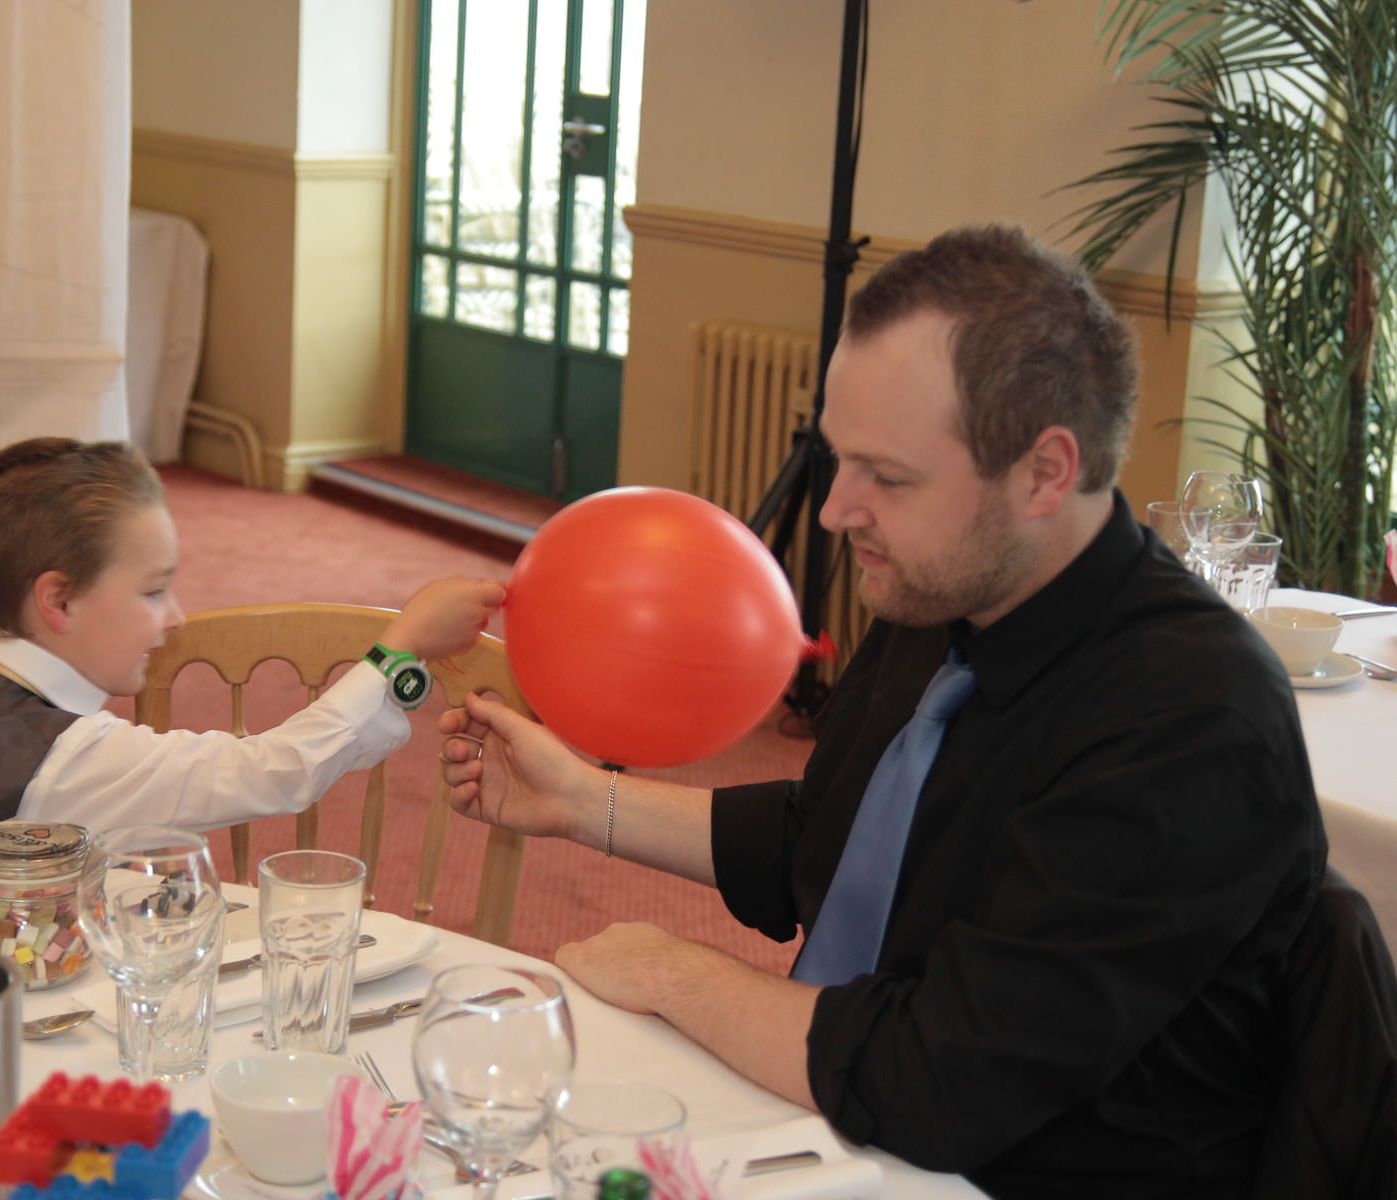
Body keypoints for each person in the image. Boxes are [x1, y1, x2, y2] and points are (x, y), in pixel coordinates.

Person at [440, 225, 1324, 1197]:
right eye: (839, 458)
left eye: (888, 477)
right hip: (854, 1138)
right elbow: (841, 840)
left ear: (1044, 472)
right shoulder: (945, 590)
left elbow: (946, 1077)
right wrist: (583, 801)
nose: (834, 510)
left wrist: (675, 974)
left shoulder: (1192, 717)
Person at [0, 437, 505, 831]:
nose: (175, 616)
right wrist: (400, 649)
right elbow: (275, 769)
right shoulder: (70, 761)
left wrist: (10, 585)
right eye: (153, 591)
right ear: (57, 599)